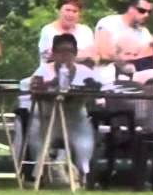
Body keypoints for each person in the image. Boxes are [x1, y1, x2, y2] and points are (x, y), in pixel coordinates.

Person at [27, 33, 99, 185]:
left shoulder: (85, 72)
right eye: (61, 51)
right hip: (46, 119)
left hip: (75, 120)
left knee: (84, 145)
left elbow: (95, 92)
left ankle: (83, 175)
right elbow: (33, 92)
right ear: (53, 53)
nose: (65, 55)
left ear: (75, 53)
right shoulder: (43, 71)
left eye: (70, 51)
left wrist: (90, 89)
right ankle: (40, 174)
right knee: (38, 140)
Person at [95, 0, 153, 79]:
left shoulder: (144, 32)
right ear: (131, 8)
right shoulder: (108, 22)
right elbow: (104, 54)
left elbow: (147, 57)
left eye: (149, 12)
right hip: (106, 76)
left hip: (133, 78)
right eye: (142, 10)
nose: (146, 15)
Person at [38, 0, 95, 65]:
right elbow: (52, 58)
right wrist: (82, 54)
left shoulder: (86, 31)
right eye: (67, 10)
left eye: (75, 11)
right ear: (58, 11)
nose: (71, 14)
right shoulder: (48, 31)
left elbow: (93, 56)